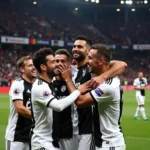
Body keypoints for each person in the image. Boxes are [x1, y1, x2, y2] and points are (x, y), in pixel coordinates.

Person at [71, 35, 127, 150]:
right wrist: (102, 76)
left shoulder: (108, 87)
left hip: (110, 144)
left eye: (90, 58)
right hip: (104, 142)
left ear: (100, 61)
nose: (88, 61)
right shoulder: (107, 77)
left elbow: (80, 102)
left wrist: (70, 82)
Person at [31, 47, 89, 150]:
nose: (57, 64)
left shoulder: (49, 85)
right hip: (42, 143)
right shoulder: (40, 87)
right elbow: (58, 106)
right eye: (54, 62)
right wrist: (77, 91)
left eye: (61, 61)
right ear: (44, 67)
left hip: (51, 141)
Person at [5, 56, 37, 150]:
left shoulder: (36, 85)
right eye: (30, 65)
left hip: (30, 135)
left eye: (34, 65)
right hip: (16, 136)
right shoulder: (18, 84)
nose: (34, 67)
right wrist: (39, 117)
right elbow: (20, 108)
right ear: (22, 69)